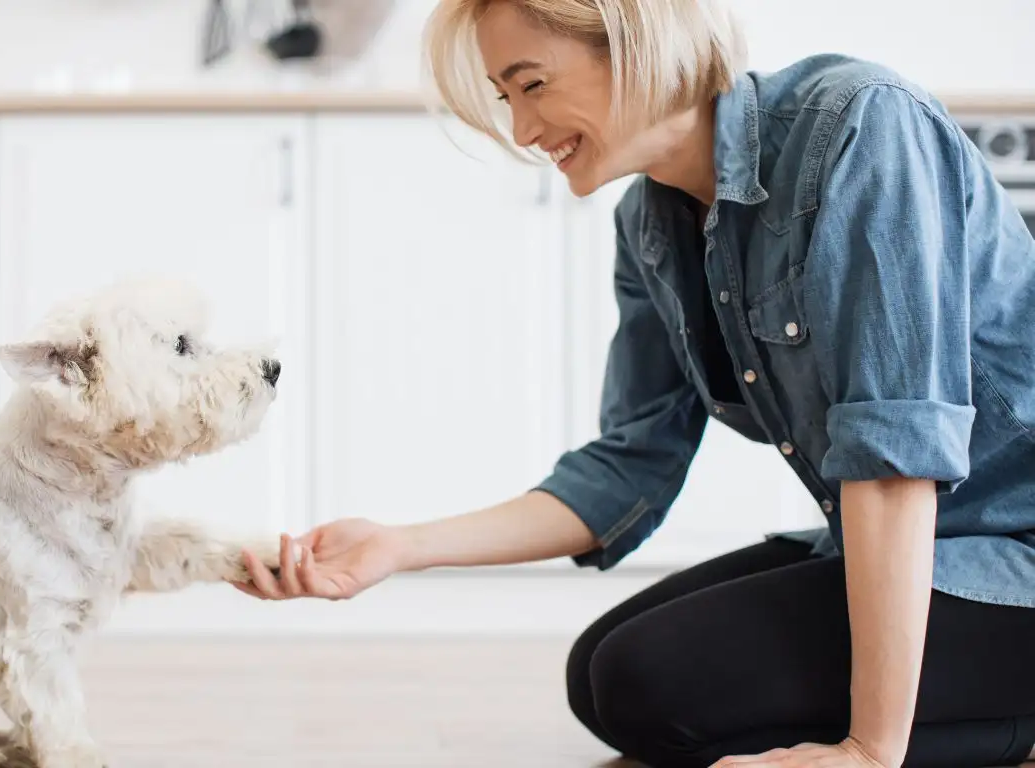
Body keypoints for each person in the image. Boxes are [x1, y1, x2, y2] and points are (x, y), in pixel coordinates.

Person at [234, 1, 1035, 766]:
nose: (521, 129)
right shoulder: (651, 223)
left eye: (533, 83)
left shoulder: (859, 126)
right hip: (939, 549)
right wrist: (399, 547)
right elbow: (629, 468)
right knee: (602, 675)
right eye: (504, 96)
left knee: (653, 682)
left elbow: (893, 457)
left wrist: (869, 751)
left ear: (635, 39)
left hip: (1012, 552)